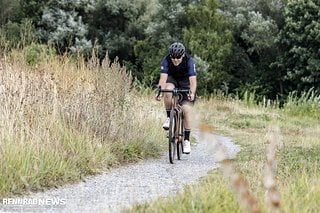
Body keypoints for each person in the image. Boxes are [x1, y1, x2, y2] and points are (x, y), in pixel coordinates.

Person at [155, 42, 197, 154]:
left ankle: (187, 140)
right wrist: (160, 91)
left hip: (185, 83)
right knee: (168, 90)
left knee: (186, 110)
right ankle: (169, 117)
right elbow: (163, 79)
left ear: (182, 55)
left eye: (178, 57)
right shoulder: (166, 60)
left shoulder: (189, 61)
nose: (175, 60)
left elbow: (193, 81)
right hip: (173, 80)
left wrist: (192, 93)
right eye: (173, 57)